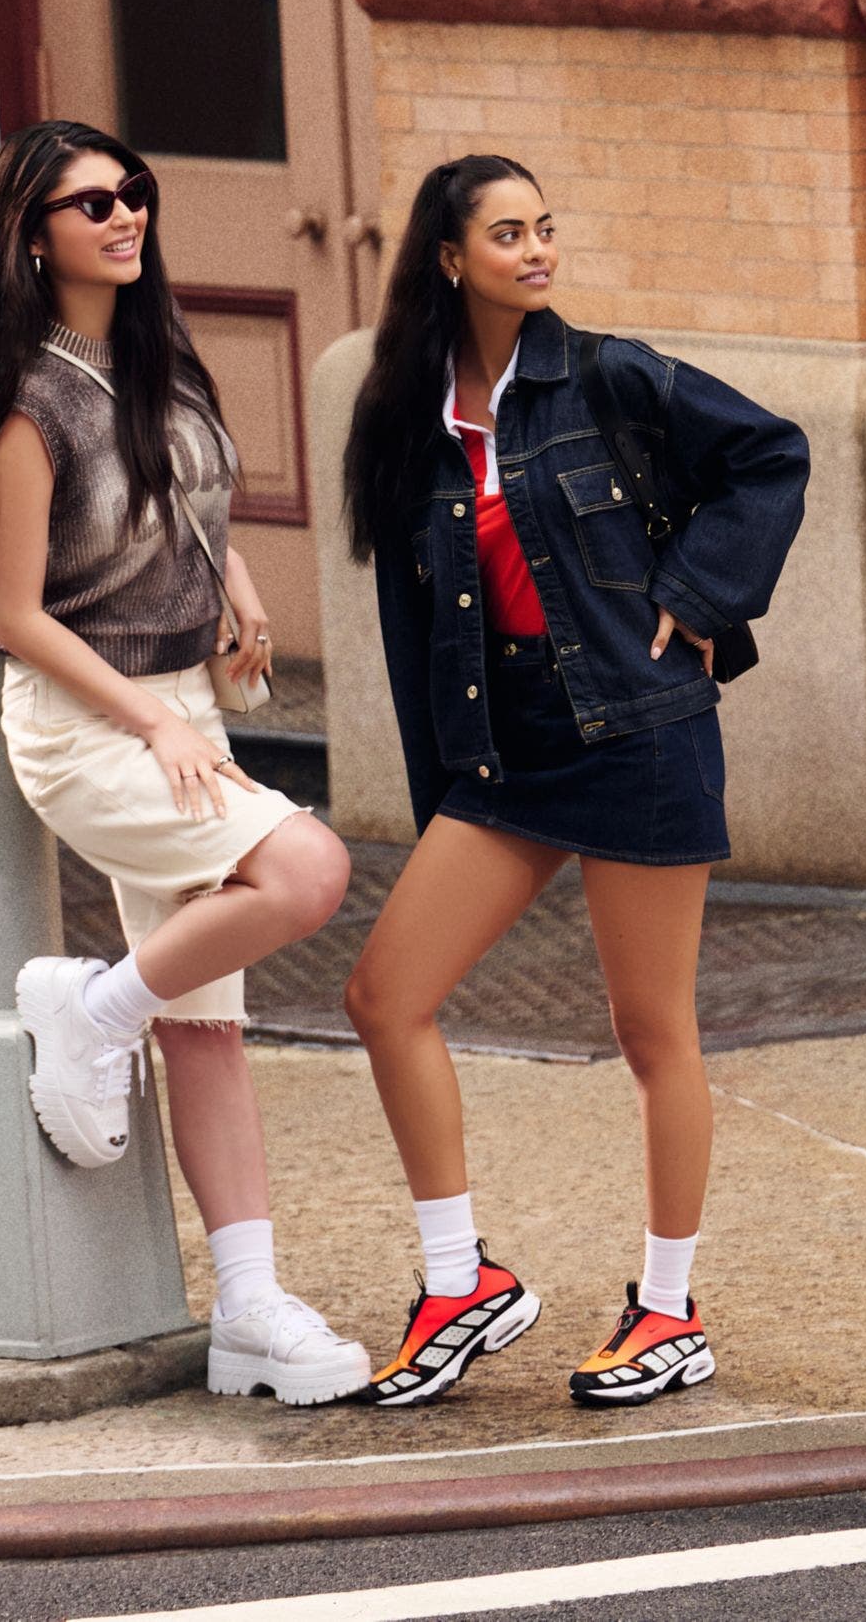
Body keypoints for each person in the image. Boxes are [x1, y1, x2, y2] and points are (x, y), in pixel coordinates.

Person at [338, 155, 808, 1408]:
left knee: (650, 1032)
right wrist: (439, 785)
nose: (536, 250)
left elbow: (770, 455)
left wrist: (698, 598)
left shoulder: (607, 375)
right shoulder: (408, 424)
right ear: (450, 257)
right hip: (505, 751)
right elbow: (408, 628)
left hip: (636, 729)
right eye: (507, 232)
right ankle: (461, 1283)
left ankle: (667, 1309)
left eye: (544, 227)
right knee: (385, 993)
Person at [0, 118, 370, 1407]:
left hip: (183, 701)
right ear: (34, 234)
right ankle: (90, 1008)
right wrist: (155, 718)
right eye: (90, 204)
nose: (123, 217)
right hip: (93, 726)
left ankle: (247, 1311)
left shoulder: (154, 350)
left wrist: (232, 581)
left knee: (211, 1034)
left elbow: (192, 499)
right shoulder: (29, 399)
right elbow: (11, 612)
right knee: (305, 867)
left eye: (132, 193)